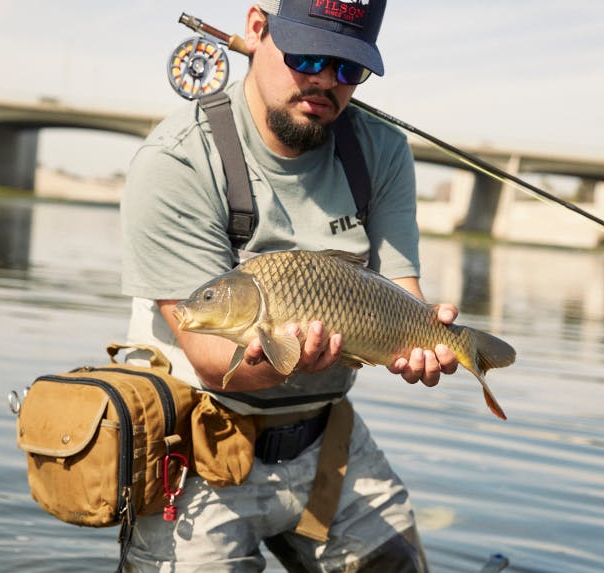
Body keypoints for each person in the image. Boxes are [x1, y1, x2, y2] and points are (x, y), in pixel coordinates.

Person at [120, 1, 459, 571]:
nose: (325, 79)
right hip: (200, 445)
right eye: (306, 55)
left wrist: (425, 341)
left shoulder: (382, 150)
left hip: (328, 438)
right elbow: (208, 356)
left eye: (348, 68)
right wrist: (293, 356)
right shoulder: (175, 161)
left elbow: (404, 293)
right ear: (257, 29)